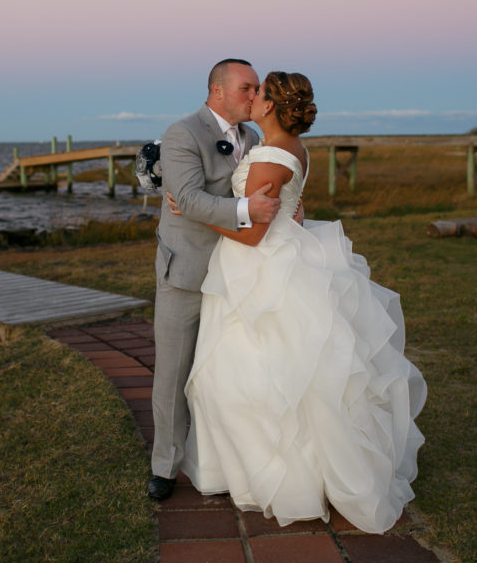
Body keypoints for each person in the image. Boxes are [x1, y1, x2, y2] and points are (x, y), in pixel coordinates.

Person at [180, 71, 427, 533]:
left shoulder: (272, 155)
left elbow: (251, 233)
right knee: (268, 372)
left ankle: (284, 479)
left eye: (257, 94)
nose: (250, 99)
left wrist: (193, 212)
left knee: (256, 375)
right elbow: (286, 207)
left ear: (270, 106)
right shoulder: (294, 148)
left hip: (258, 269)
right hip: (279, 255)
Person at [148, 59, 282, 501]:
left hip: (237, 271)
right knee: (173, 373)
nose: (255, 95)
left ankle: (226, 460)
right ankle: (164, 467)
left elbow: (264, 188)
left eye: (256, 88)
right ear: (217, 91)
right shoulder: (183, 133)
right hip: (186, 269)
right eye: (247, 87)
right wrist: (247, 212)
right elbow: (186, 199)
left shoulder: (252, 137)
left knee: (228, 373)